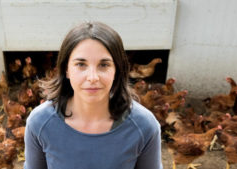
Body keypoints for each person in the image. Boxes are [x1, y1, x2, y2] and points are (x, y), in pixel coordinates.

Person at [24, 21, 163, 169]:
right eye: (81, 64)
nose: (92, 77)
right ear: (66, 70)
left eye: (104, 65)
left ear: (117, 70)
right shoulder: (40, 123)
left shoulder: (144, 126)